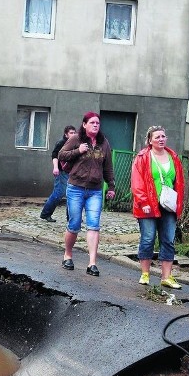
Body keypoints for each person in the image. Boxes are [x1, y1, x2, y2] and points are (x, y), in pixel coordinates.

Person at [58, 112, 115, 277]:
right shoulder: (76, 139)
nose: (95, 125)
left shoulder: (104, 143)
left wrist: (111, 186)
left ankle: (92, 263)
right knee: (74, 223)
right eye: (92, 122)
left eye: (97, 123)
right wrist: (78, 151)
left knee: (94, 225)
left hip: (95, 190)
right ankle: (67, 255)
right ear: (84, 124)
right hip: (75, 187)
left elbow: (108, 167)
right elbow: (61, 154)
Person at [131, 125, 185, 289]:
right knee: (148, 239)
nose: (161, 139)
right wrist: (143, 201)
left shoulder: (173, 157)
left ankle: (166, 277)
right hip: (147, 205)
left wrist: (179, 205)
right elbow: (137, 182)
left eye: (163, 136)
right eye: (157, 137)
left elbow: (179, 182)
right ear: (150, 140)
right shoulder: (143, 157)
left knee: (168, 239)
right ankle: (145, 273)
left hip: (168, 205)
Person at [40, 124, 77, 222]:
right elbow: (54, 155)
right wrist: (55, 168)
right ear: (66, 134)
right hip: (61, 172)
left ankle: (71, 217)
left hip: (71, 172)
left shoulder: (75, 143)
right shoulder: (61, 143)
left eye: (74, 133)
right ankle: (46, 214)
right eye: (71, 133)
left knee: (72, 194)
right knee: (59, 193)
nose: (73, 134)